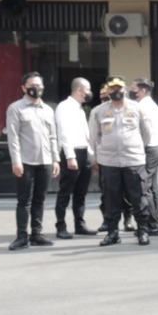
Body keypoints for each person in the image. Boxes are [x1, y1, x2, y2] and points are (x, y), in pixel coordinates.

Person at [89, 77, 152, 247]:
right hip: (109, 162)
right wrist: (94, 156)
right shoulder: (98, 111)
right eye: (112, 88)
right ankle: (112, 233)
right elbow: (93, 136)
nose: (116, 91)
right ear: (108, 91)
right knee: (111, 199)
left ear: (125, 89)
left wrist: (137, 149)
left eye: (119, 88)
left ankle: (142, 230)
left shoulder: (137, 108)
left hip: (133, 160)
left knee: (139, 197)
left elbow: (146, 133)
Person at [5, 72, 60, 251]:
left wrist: (55, 159)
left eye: (39, 85)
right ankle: (22, 236)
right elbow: (13, 137)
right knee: (24, 201)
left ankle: (37, 234)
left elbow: (53, 137)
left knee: (40, 199)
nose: (36, 88)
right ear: (24, 88)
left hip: (45, 160)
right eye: (32, 85)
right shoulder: (16, 108)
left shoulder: (48, 109)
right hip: (25, 161)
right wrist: (16, 161)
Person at [53, 77, 98, 239]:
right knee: (65, 192)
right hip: (71, 153)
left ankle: (80, 224)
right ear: (79, 90)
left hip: (84, 152)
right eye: (88, 89)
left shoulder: (80, 109)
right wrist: (70, 156)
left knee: (81, 192)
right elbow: (64, 134)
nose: (89, 92)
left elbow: (85, 135)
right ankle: (61, 226)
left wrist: (91, 155)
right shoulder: (64, 107)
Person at [131, 77, 158, 235]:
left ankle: (152, 224)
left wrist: (138, 149)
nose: (131, 93)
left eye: (134, 90)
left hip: (148, 149)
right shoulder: (150, 105)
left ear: (143, 91)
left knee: (144, 187)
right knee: (152, 188)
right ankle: (154, 221)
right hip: (155, 148)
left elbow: (146, 133)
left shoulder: (143, 107)